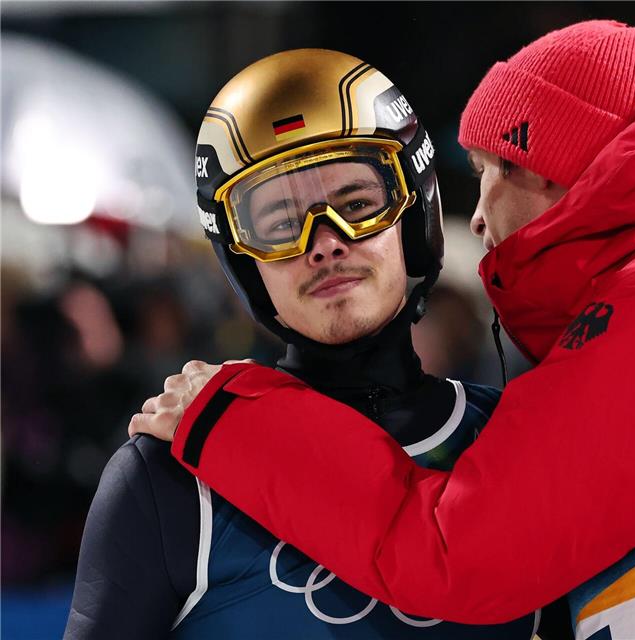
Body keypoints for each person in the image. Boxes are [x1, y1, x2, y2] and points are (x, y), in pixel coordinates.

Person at [130, 21, 635, 639]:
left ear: (555, 165)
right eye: (279, 220)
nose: (479, 216)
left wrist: (234, 419)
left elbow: (457, 556)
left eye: (493, 172)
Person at [65, 48, 544, 639]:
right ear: (242, 261)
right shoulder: (168, 478)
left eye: (358, 205)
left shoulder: (519, 442)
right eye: (280, 223)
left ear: (413, 216)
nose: (325, 243)